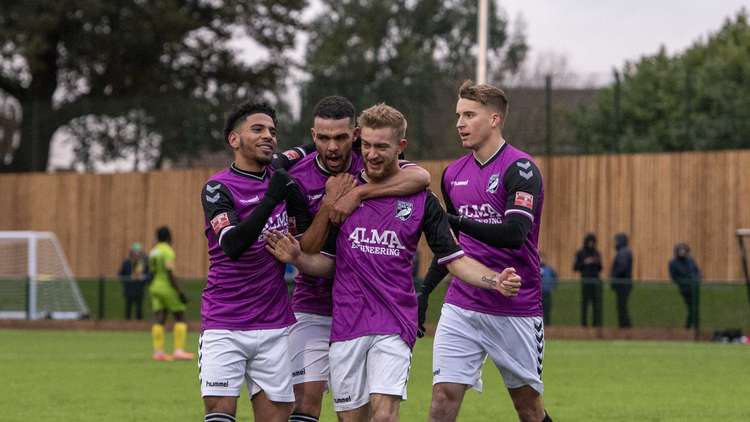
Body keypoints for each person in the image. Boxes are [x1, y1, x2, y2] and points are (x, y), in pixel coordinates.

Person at [267, 103, 523, 422]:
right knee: (350, 418)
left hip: (393, 322)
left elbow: (455, 260)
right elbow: (331, 264)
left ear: (400, 147)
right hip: (347, 324)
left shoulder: (422, 199)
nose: (372, 154)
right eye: (368, 146)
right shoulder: (344, 197)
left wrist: (494, 280)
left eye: (382, 147)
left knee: (385, 415)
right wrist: (298, 258)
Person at [282, 96, 431, 422]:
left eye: (341, 137)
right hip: (314, 304)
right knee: (305, 402)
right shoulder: (297, 177)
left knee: (359, 414)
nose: (333, 147)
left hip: (369, 310)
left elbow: (421, 178)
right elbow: (307, 249)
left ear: (356, 135)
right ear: (313, 135)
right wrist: (329, 204)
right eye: (323, 138)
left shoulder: (371, 161)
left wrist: (358, 193)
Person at [419, 81, 551, 422]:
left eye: (469, 115)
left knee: (529, 410)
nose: (460, 123)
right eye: (458, 115)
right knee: (442, 399)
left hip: (516, 307)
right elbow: (452, 247)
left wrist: (455, 220)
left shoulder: (520, 169)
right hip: (463, 304)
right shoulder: (452, 174)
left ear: (494, 119)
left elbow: (515, 234)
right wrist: (424, 291)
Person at [199, 101, 312, 422]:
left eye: (273, 131)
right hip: (225, 323)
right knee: (220, 417)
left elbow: (303, 151)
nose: (269, 136)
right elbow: (232, 244)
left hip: (275, 326)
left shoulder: (277, 170)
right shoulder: (217, 188)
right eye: (258, 129)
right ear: (234, 140)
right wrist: (272, 198)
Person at [148, 226, 193, 361]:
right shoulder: (168, 251)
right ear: (169, 237)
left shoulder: (154, 251)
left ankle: (158, 352)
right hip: (166, 286)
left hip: (155, 285)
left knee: (160, 318)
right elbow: (169, 272)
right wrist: (179, 291)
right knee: (180, 316)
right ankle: (178, 351)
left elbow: (151, 271)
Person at [669, 242, 702, 329]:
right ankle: (688, 328)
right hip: (685, 289)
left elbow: (697, 271)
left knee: (695, 309)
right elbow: (674, 277)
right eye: (680, 250)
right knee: (691, 309)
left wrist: (698, 278)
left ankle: (694, 328)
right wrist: (684, 282)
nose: (682, 252)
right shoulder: (673, 263)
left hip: (695, 288)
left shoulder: (690, 260)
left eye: (684, 250)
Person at [574, 233, 603, 327]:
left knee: (596, 304)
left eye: (592, 242)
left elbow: (600, 267)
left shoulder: (597, 253)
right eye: (589, 241)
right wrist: (585, 262)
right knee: (585, 304)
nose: (591, 244)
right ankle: (584, 324)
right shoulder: (580, 253)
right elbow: (575, 267)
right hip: (585, 281)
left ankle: (596, 324)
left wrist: (595, 262)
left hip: (595, 281)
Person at [118, 242, 148, 320]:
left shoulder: (143, 263)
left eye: (139, 251)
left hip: (139, 289)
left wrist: (143, 277)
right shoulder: (126, 262)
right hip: (129, 290)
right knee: (128, 309)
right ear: (132, 252)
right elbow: (120, 275)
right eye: (136, 251)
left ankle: (139, 327)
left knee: (139, 310)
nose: (138, 253)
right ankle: (127, 327)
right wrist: (128, 278)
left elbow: (148, 275)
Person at [610, 233, 633, 328]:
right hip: (623, 283)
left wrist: (614, 276)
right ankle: (624, 326)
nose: (615, 243)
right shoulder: (624, 251)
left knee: (622, 307)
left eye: (616, 241)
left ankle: (625, 326)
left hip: (623, 284)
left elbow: (622, 267)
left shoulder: (624, 252)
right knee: (621, 306)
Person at [539, 253, 558, 326]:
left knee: (547, 309)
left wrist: (552, 287)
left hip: (547, 292)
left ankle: (547, 325)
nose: (541, 260)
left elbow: (555, 279)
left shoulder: (549, 269)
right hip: (537, 294)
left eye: (542, 258)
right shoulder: (535, 268)